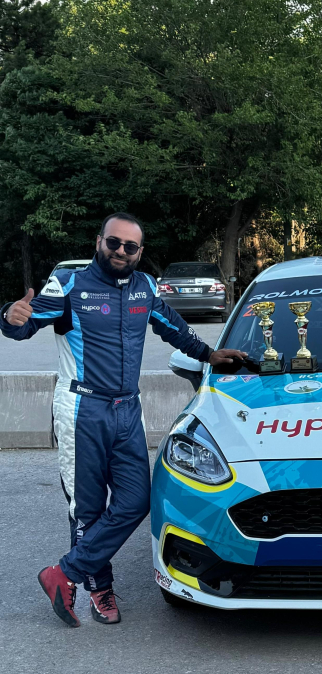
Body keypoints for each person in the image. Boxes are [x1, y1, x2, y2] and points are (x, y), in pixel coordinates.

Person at [1, 213, 246, 628]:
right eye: (113, 242)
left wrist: (208, 354)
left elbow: (172, 326)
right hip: (82, 409)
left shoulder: (145, 287)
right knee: (88, 509)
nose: (120, 251)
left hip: (128, 409)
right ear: (99, 241)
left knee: (136, 501)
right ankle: (100, 589)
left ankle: (64, 573)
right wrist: (10, 315)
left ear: (139, 252)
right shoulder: (69, 285)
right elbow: (25, 324)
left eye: (130, 246)